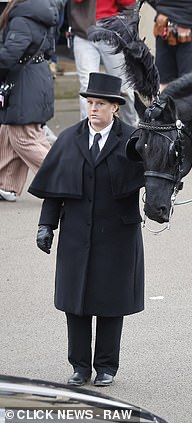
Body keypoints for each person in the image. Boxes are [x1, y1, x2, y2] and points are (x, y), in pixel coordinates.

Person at [28, 73, 145, 387]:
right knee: (75, 303)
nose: (93, 108)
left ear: (115, 108)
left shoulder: (133, 141)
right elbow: (55, 188)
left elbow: (158, 172)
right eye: (90, 102)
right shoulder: (69, 138)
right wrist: (45, 226)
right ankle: (80, 366)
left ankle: (106, 366)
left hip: (118, 235)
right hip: (77, 234)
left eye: (100, 104)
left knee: (111, 301)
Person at [0, 0, 57, 202]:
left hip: (26, 82)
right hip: (36, 77)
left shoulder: (22, 19)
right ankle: (6, 186)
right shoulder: (40, 14)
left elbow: (9, 56)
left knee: (23, 137)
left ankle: (66, 179)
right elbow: (50, 50)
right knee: (9, 132)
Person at [147, 0, 192, 155]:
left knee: (164, 84)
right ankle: (188, 140)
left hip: (164, 23)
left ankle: (162, 136)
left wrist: (164, 7)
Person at [68, 0, 138, 127]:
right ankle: (87, 134)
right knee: (87, 86)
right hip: (84, 32)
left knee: (124, 87)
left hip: (113, 31)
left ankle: (131, 131)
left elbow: (128, 2)